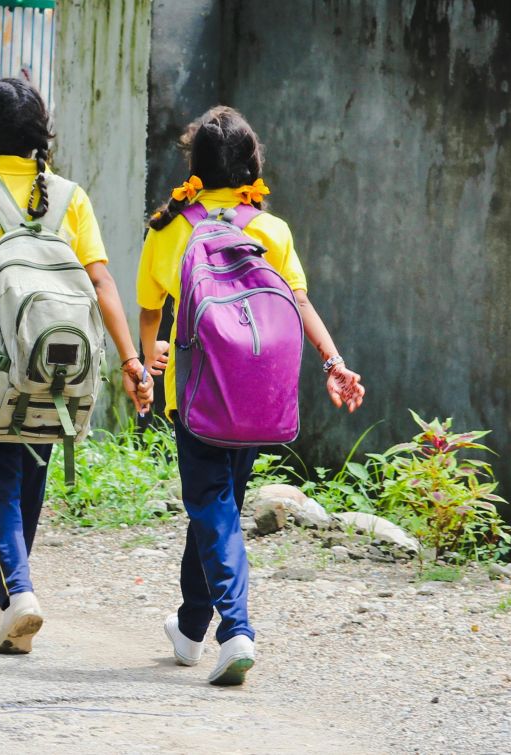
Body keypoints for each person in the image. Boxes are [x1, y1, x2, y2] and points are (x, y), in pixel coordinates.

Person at [137, 106, 366, 686]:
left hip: (196, 397)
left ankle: (236, 630)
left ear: (195, 166)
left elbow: (150, 307)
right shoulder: (271, 229)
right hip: (261, 395)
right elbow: (301, 302)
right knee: (214, 507)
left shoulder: (170, 229)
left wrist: (148, 354)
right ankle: (191, 629)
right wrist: (334, 363)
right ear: (250, 166)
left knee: (211, 507)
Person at [0, 77, 152, 655]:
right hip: (57, 368)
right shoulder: (72, 196)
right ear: (39, 133)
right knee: (28, 475)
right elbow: (100, 281)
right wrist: (130, 358)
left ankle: (21, 594)